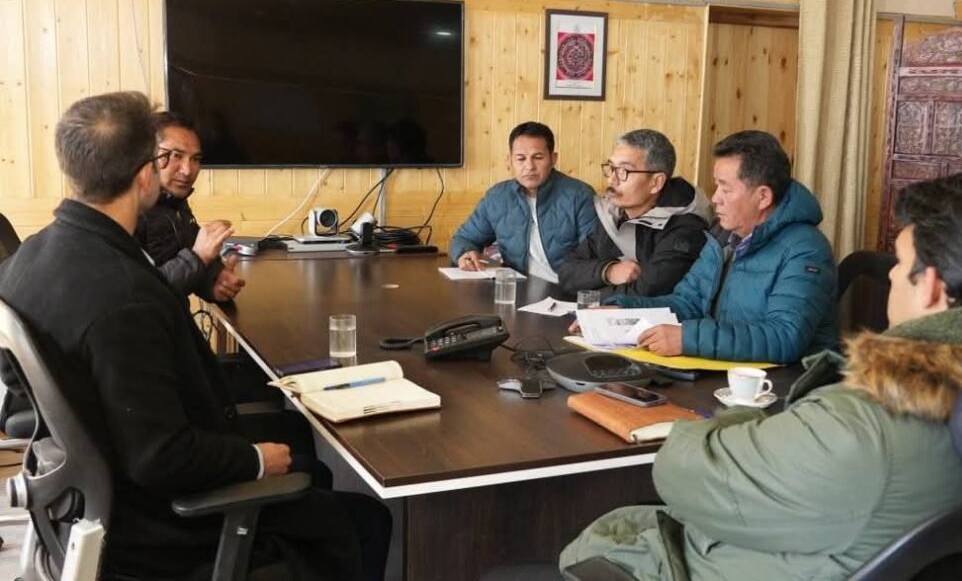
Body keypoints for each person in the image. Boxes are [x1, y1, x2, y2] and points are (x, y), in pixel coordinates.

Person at [560, 169, 962, 580]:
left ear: (931, 288)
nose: (890, 272)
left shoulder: (866, 424)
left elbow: (686, 474)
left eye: (901, 260)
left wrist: (721, 423)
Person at [0, 92, 390, 580]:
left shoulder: (27, 259)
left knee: (305, 461)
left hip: (86, 503)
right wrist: (252, 459)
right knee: (365, 519)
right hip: (162, 528)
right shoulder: (125, 298)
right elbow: (160, 457)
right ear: (146, 175)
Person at [605, 130, 837, 364]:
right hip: (722, 373)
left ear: (763, 197)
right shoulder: (724, 236)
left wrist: (688, 338)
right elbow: (686, 303)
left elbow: (784, 338)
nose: (715, 198)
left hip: (780, 386)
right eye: (716, 186)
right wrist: (624, 311)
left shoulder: (806, 250)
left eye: (725, 189)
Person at [557, 129, 712, 298]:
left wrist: (590, 293)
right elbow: (567, 272)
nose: (611, 180)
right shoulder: (614, 214)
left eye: (624, 171)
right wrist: (608, 272)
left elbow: (647, 293)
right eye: (611, 168)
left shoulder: (686, 228)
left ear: (656, 183)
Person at [450, 121, 597, 282]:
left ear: (553, 159)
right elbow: (464, 238)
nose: (529, 166)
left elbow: (594, 257)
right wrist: (465, 253)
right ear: (509, 161)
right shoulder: (498, 197)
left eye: (538, 157)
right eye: (521, 158)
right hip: (519, 288)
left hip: (568, 291)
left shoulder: (580, 195)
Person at [134, 111, 245, 302]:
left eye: (195, 159)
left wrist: (214, 283)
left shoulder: (175, 202)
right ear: (148, 154)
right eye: (176, 155)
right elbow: (142, 295)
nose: (187, 170)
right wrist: (199, 256)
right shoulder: (129, 211)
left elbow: (186, 266)